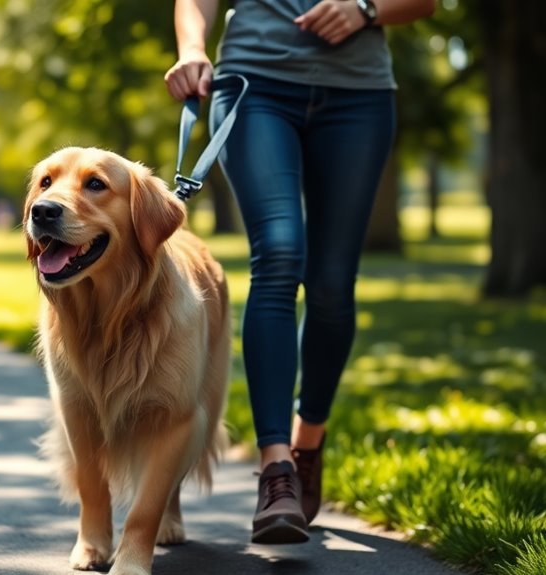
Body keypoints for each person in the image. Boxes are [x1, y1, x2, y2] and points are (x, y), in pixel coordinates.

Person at [165, 0, 434, 544]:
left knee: (332, 285)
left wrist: (366, 9)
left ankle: (307, 442)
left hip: (358, 95)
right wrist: (192, 48)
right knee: (279, 254)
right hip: (255, 83)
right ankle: (277, 469)